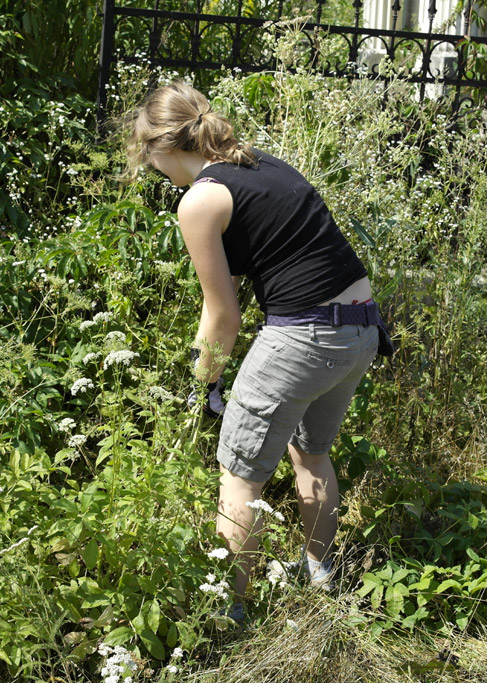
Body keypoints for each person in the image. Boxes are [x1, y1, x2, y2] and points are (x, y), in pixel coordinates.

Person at [125, 81, 390, 620]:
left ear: (161, 146)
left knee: (240, 471)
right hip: (361, 328)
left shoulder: (198, 199)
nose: (152, 167)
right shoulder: (261, 163)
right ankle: (321, 583)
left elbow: (222, 314)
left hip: (304, 335)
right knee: (310, 453)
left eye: (148, 154)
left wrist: (205, 380)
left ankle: (231, 615)